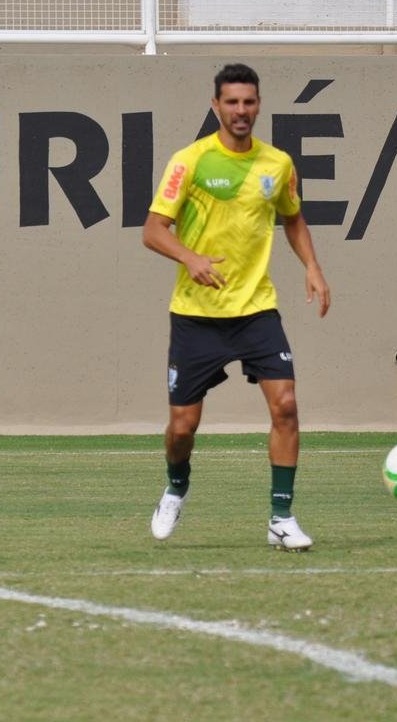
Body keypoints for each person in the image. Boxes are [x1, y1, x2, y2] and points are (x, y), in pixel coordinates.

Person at [142, 63, 330, 551]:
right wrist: (190, 257)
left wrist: (312, 265)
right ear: (216, 106)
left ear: (259, 105)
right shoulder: (191, 160)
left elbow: (293, 219)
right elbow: (153, 229)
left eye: (249, 102)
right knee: (183, 427)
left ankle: (281, 517)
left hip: (256, 310)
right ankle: (176, 487)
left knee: (286, 405)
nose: (241, 111)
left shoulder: (278, 164)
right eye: (232, 102)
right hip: (196, 314)